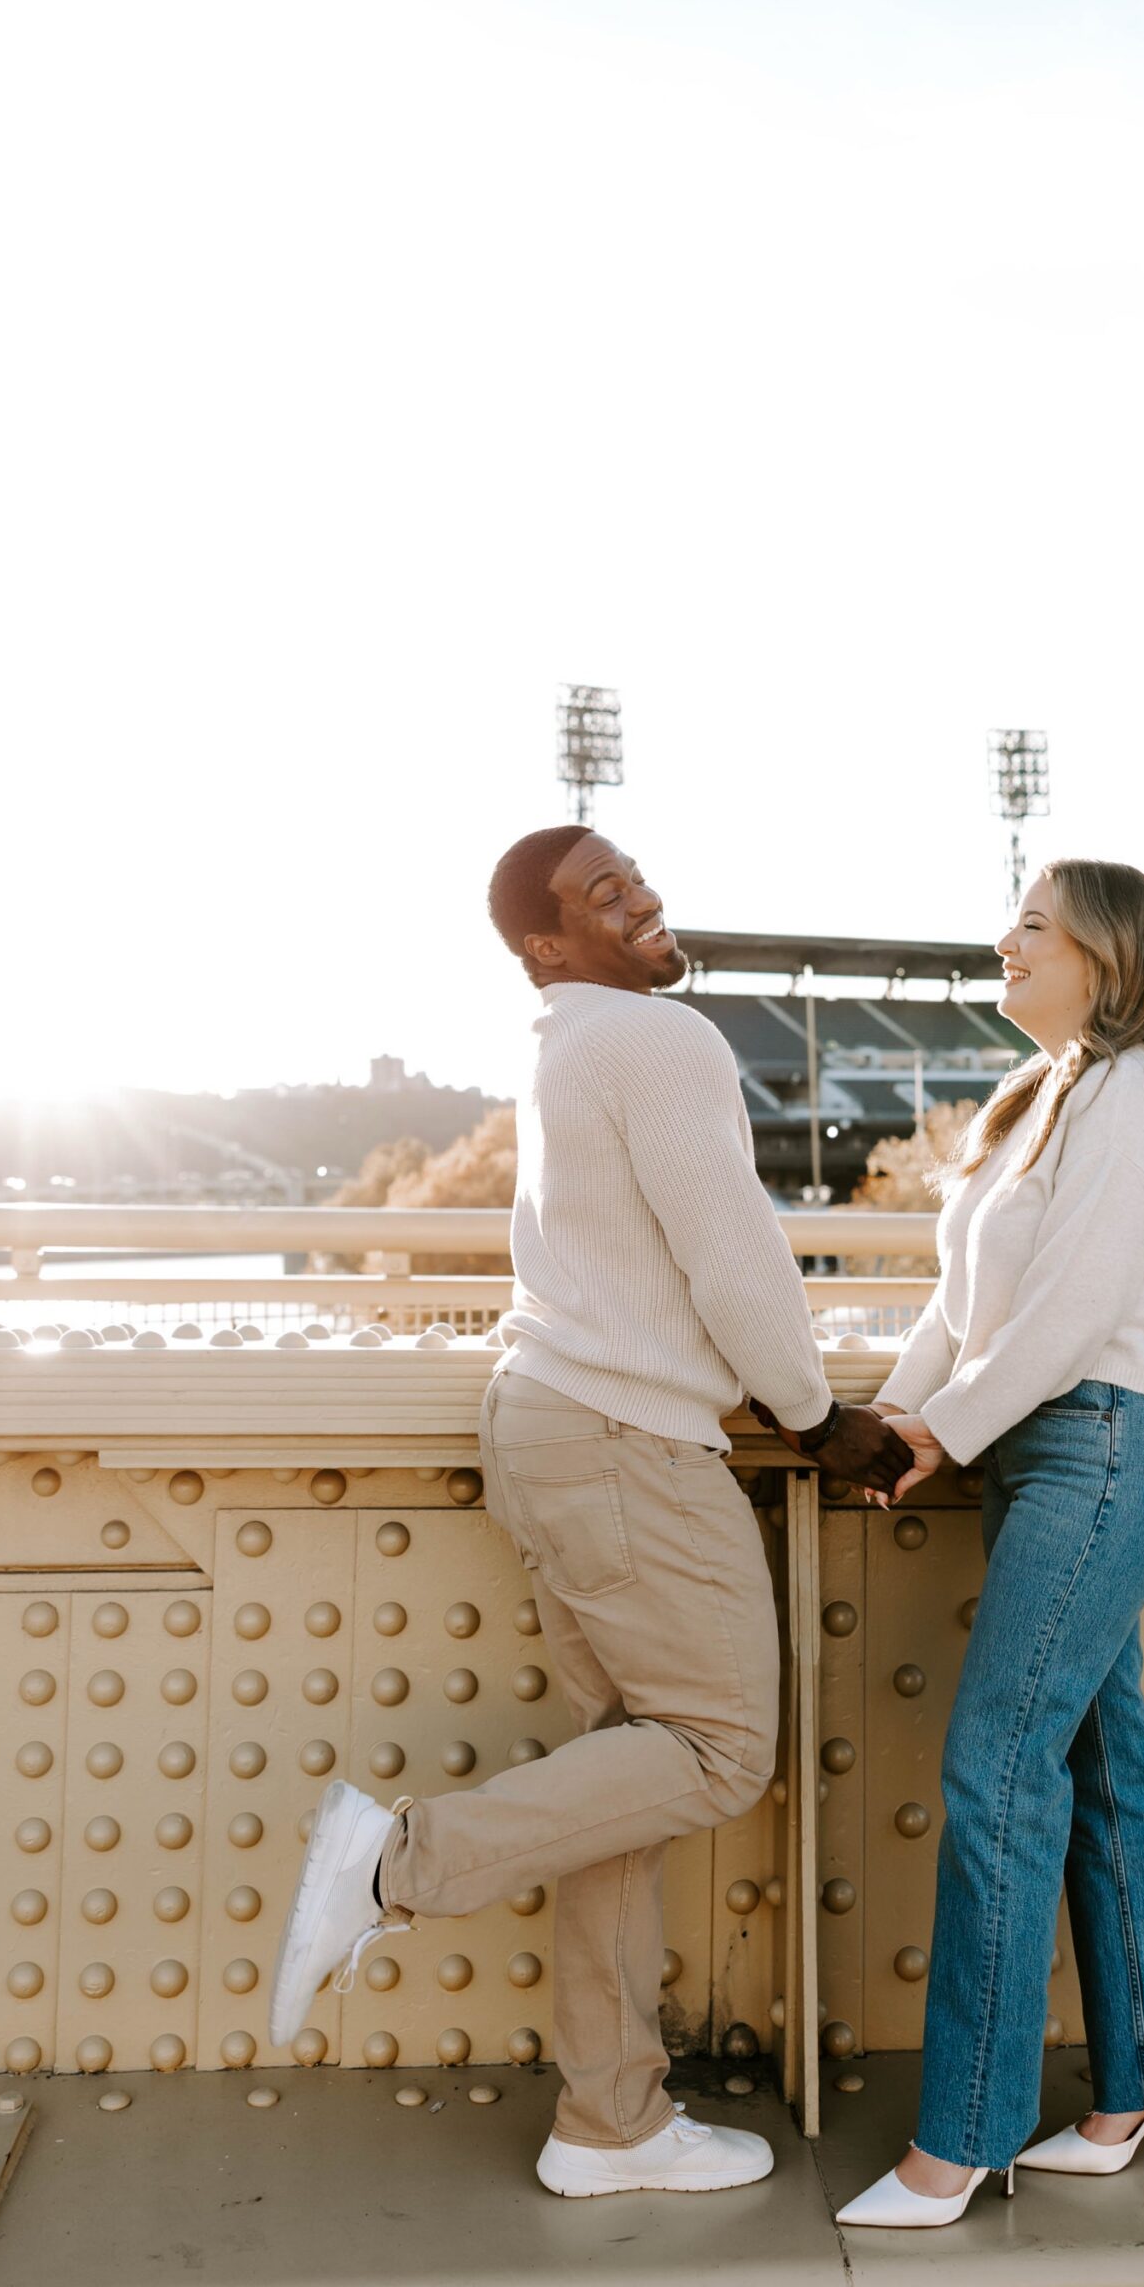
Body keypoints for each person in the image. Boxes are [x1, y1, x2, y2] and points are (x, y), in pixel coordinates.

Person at [270, 825, 912, 2198]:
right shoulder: (656, 1039)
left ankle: (608, 2122)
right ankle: (396, 1863)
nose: (645, 902)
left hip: (552, 1422)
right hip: (623, 1439)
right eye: (603, 896)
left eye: (639, 879)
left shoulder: (567, 1042)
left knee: (619, 1774)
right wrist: (815, 1416)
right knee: (721, 1749)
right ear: (547, 947)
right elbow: (729, 1249)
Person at [837, 858, 1144, 2228]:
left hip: (1110, 1447)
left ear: (1107, 961)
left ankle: (965, 2135)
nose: (1004, 941)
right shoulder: (1043, 1096)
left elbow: (1061, 1323)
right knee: (1104, 1771)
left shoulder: (1133, 1100)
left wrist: (937, 1437)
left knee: (996, 1770)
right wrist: (899, 1409)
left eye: (1033, 924)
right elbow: (969, 1299)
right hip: (1052, 1451)